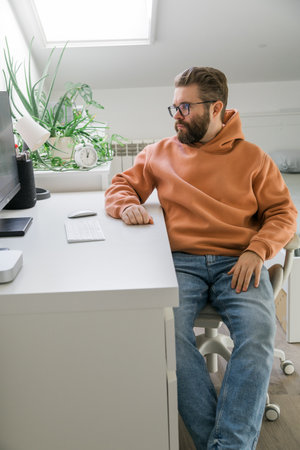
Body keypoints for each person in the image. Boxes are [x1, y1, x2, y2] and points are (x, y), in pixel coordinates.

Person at [105, 67, 297, 449]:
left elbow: (284, 214)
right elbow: (121, 185)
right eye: (174, 107)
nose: (177, 115)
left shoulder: (254, 158)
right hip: (180, 263)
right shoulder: (159, 153)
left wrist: (257, 250)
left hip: (237, 262)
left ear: (216, 108)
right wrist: (125, 204)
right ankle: (227, 443)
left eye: (186, 107)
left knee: (259, 335)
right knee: (165, 336)